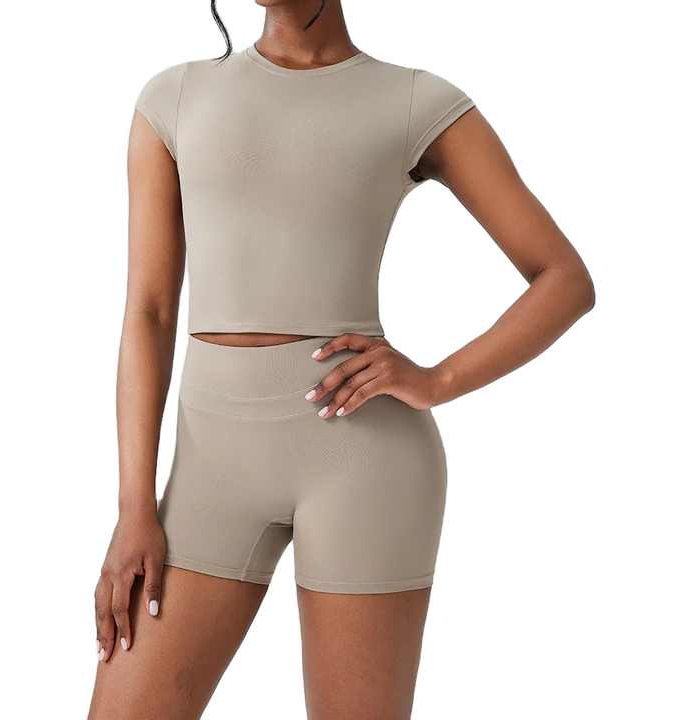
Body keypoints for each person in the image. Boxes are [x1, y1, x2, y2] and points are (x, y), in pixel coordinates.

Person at [88, 1, 595, 717]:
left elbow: (564, 279)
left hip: (362, 462)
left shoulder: (413, 100)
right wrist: (134, 507)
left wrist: (436, 380)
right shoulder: (173, 99)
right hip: (209, 471)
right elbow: (149, 313)